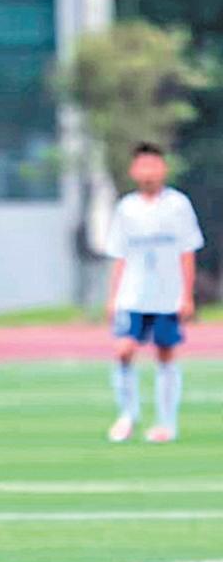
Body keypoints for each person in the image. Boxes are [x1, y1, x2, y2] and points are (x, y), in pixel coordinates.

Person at [104, 142, 203, 443]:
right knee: (123, 350)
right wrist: (113, 296)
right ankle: (127, 414)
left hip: (167, 295)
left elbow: (187, 252)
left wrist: (187, 295)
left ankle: (166, 423)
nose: (148, 172)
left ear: (163, 169)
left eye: (153, 165)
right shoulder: (126, 208)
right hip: (132, 294)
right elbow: (119, 255)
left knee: (165, 353)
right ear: (133, 170)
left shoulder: (178, 205)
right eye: (143, 165)